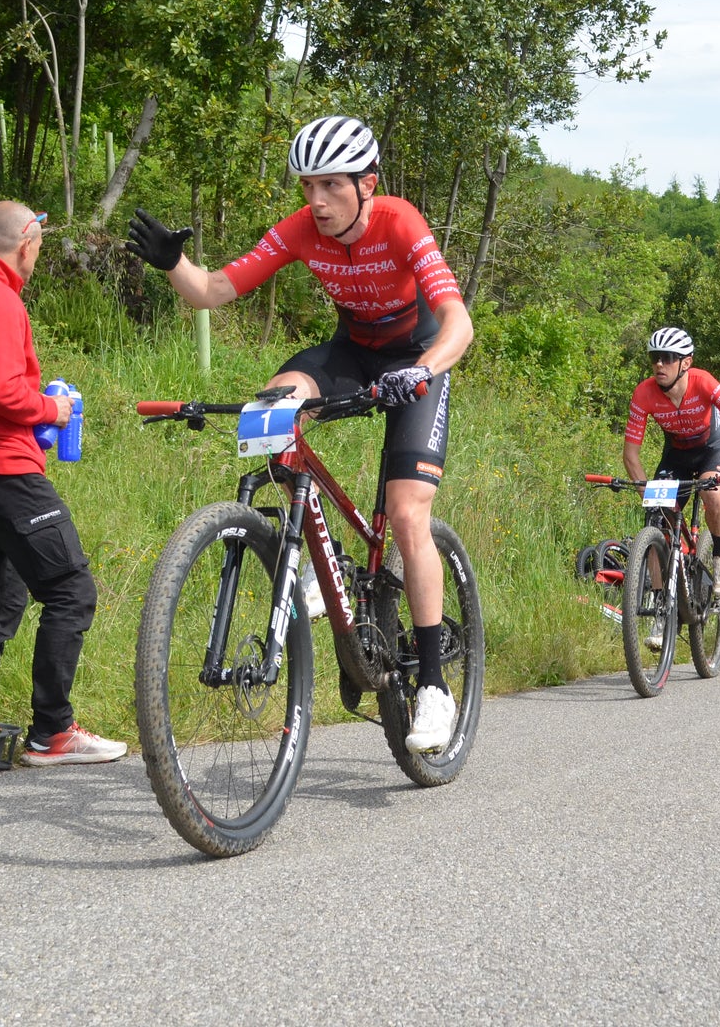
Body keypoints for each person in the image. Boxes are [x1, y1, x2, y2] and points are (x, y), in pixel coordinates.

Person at [126, 115, 472, 752]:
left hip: (417, 359)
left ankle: (432, 686)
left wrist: (423, 371)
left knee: (406, 514)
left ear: (367, 184)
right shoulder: (301, 229)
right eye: (308, 186)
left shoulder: (400, 222)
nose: (317, 201)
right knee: (270, 414)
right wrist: (174, 262)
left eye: (332, 185)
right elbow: (212, 290)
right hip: (352, 352)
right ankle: (320, 559)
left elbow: (458, 322)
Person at [0, 203, 126, 765]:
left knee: (2, 596)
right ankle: (52, 732)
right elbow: (1, 391)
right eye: (38, 246)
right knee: (71, 590)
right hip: (4, 468)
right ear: (26, 244)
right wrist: (51, 410)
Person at [623, 327, 720, 605]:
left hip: (712, 448)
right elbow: (630, 455)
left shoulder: (704, 382)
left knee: (712, 493)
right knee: (657, 518)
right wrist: (649, 496)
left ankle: (719, 555)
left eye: (668, 357)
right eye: (655, 357)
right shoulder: (644, 393)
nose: (659, 364)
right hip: (677, 455)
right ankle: (659, 603)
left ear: (686, 362)